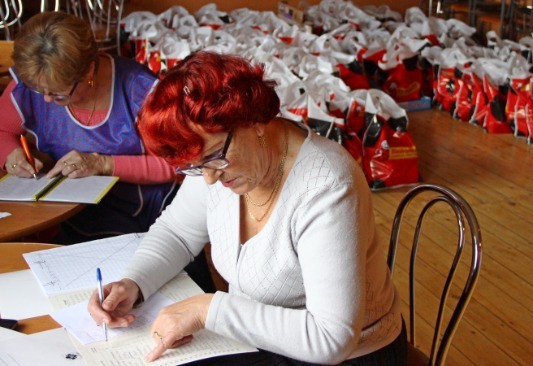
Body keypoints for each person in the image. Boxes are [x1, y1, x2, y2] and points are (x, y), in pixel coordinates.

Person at [88, 51, 406, 365]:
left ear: (253, 121)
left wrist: (207, 310)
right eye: (195, 168)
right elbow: (178, 233)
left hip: (350, 355)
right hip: (263, 340)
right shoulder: (215, 153)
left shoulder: (326, 186)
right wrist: (133, 283)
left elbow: (330, 338)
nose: (209, 179)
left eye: (213, 159)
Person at [0, 12, 178, 243]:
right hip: (67, 211)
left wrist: (103, 164)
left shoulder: (140, 91)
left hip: (144, 215)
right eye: (38, 90)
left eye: (58, 93)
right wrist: (10, 155)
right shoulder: (34, 81)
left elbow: (175, 164)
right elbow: (3, 130)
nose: (46, 100)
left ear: (89, 71)